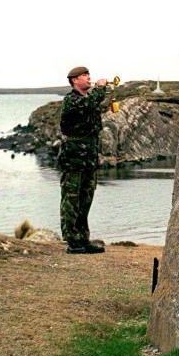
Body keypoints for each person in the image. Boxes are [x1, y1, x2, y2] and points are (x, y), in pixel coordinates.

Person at [59, 66, 108, 254]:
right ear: (74, 80)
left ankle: (83, 238)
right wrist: (100, 89)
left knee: (86, 198)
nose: (89, 78)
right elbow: (88, 104)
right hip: (73, 158)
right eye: (84, 75)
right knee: (71, 198)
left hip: (89, 157)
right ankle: (72, 240)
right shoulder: (71, 100)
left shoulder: (88, 100)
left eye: (89, 75)